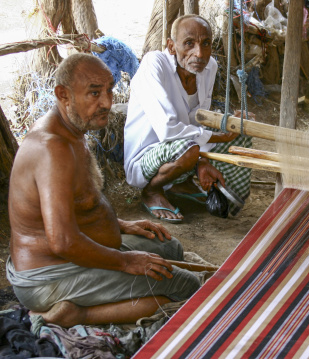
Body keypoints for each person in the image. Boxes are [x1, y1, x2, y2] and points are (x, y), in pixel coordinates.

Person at [6, 53, 201, 328]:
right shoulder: (53, 149)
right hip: (49, 276)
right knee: (186, 286)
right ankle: (75, 314)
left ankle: (100, 296)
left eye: (109, 89)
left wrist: (122, 225)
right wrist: (124, 262)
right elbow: (61, 241)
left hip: (71, 256)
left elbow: (75, 207)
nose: (107, 102)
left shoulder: (73, 131)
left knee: (170, 248)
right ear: (64, 95)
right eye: (94, 93)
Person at [124, 14, 252, 223]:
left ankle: (179, 184)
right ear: (172, 46)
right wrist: (219, 137)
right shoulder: (153, 64)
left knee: (241, 132)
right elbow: (168, 130)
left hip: (186, 148)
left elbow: (198, 117)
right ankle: (152, 191)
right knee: (190, 148)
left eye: (206, 43)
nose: (199, 53)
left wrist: (226, 125)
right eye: (189, 43)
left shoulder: (209, 67)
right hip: (147, 155)